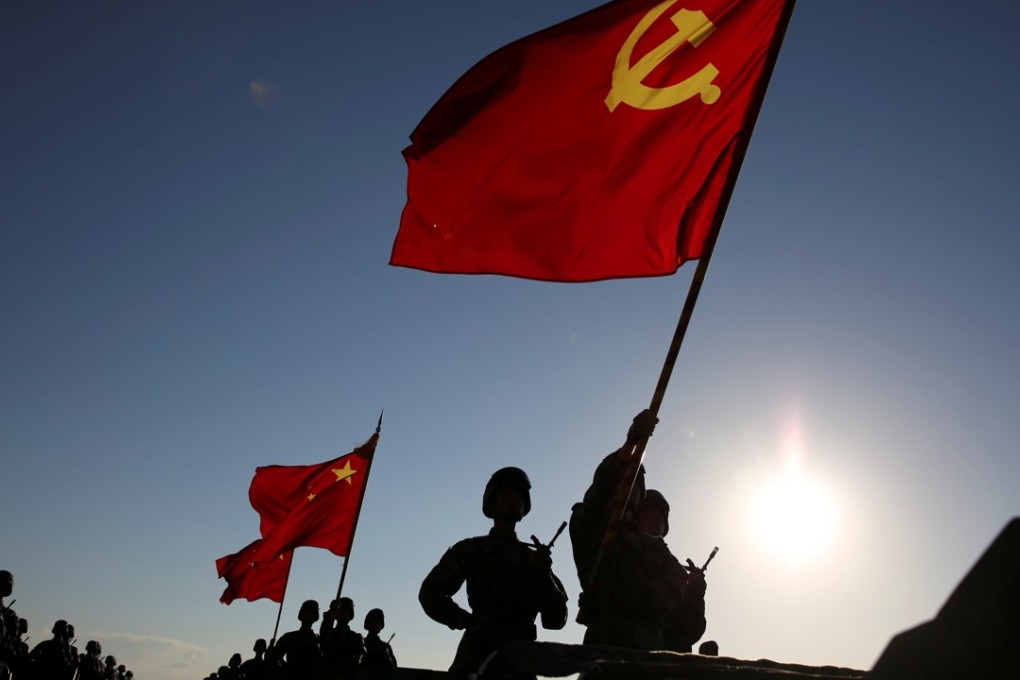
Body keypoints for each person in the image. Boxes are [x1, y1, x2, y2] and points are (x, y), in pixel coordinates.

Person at [569, 410, 706, 651]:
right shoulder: (597, 529)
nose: (655, 522)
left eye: (634, 483)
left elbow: (681, 618)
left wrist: (694, 592)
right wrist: (629, 445)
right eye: (624, 480)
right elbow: (599, 496)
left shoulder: (665, 559)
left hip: (647, 651)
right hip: (604, 644)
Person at [420, 466, 568, 674]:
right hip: (477, 655)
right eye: (506, 495)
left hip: (520, 660)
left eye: (519, 496)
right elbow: (430, 593)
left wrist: (543, 575)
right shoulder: (472, 549)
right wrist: (467, 621)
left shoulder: (533, 560)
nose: (514, 501)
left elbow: (555, 621)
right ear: (491, 503)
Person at [270, 599, 322, 680]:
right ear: (302, 614)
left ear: (316, 616)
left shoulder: (318, 640)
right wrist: (286, 670)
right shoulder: (289, 637)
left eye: (313, 612)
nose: (309, 614)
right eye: (307, 611)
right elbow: (274, 657)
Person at [319, 597, 364, 668]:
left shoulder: (356, 637)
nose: (343, 614)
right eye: (341, 611)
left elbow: (356, 658)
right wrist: (329, 616)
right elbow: (323, 637)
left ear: (350, 615)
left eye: (347, 612)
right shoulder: (329, 633)